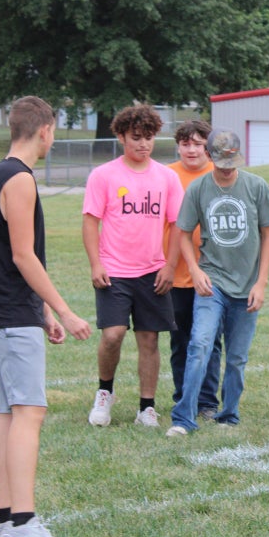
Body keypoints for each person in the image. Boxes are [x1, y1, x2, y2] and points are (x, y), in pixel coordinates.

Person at [0, 96, 91, 537]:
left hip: (3, 309)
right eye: (55, 130)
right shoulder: (19, 179)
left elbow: (9, 255)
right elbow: (23, 256)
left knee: (9, 411)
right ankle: (22, 525)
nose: (54, 138)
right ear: (44, 130)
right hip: (6, 312)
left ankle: (2, 517)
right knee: (29, 412)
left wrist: (39, 312)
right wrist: (63, 309)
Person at [167, 129, 269, 435]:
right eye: (220, 163)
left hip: (247, 287)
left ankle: (228, 414)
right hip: (212, 282)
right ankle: (183, 418)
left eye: (231, 163)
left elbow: (268, 234)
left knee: (237, 357)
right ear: (210, 157)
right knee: (200, 344)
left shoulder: (256, 186)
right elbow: (182, 233)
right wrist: (195, 269)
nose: (227, 169)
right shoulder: (199, 189)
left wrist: (261, 283)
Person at [83, 105, 184, 428]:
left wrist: (169, 267)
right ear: (121, 136)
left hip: (152, 272)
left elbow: (178, 226)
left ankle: (147, 407)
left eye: (149, 138)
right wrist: (96, 263)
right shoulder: (103, 175)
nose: (143, 144)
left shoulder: (167, 177)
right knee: (112, 335)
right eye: (136, 138)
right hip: (114, 271)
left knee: (149, 340)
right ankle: (104, 393)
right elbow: (90, 222)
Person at [164, 120, 223, 420]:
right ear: (178, 146)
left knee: (210, 340)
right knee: (181, 341)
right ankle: (182, 396)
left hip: (211, 273)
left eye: (198, 144)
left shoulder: (219, 175)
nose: (191, 149)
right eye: (186, 143)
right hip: (176, 275)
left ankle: (207, 402)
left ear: (208, 147)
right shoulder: (167, 175)